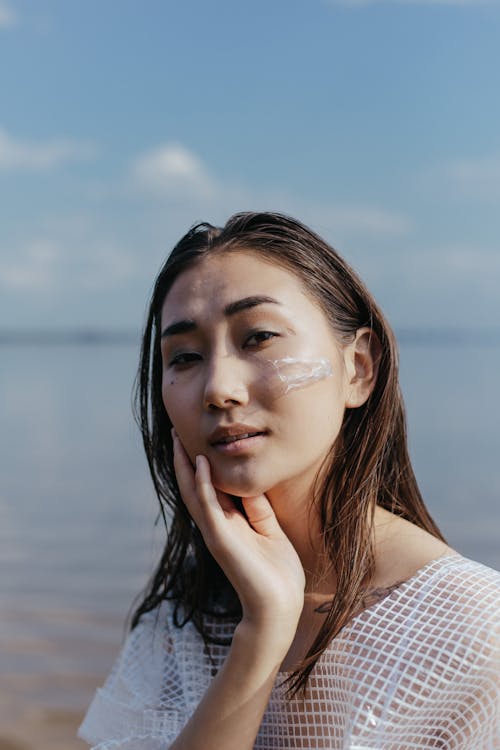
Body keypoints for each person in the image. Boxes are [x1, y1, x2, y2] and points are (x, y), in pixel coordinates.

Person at [78, 212, 500, 749]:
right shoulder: (181, 622)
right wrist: (264, 628)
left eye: (258, 337)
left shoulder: (471, 630)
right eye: (184, 356)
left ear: (359, 370)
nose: (219, 389)